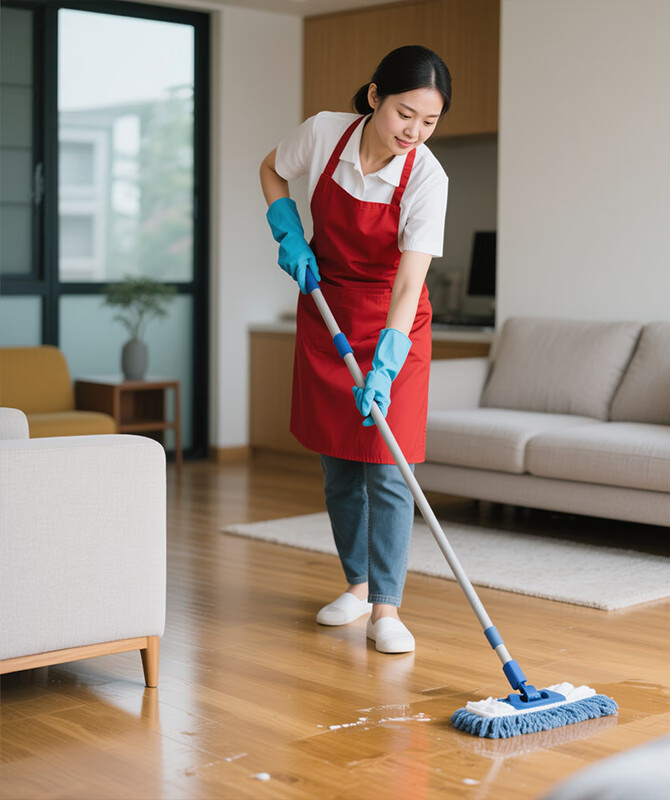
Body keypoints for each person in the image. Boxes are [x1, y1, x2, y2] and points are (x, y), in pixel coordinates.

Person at [259, 45, 451, 654]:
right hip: (327, 307)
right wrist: (287, 228)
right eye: (404, 115)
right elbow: (270, 169)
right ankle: (358, 584)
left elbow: (408, 283)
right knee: (339, 463)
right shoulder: (322, 135)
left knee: (389, 468)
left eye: (429, 122)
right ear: (374, 98)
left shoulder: (426, 177)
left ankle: (387, 609)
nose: (413, 132)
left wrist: (385, 365)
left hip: (395, 324)